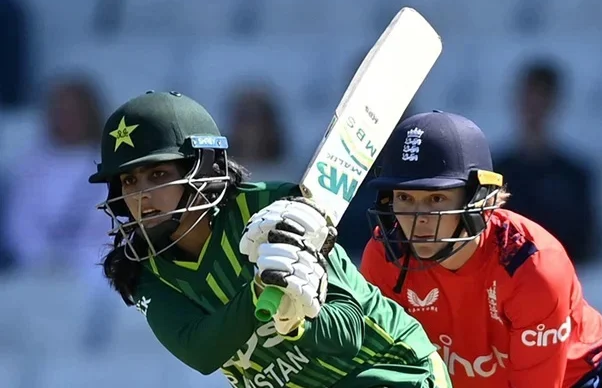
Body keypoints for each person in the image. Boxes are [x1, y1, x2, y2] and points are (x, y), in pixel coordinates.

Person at [88, 90, 451, 388]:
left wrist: (299, 322)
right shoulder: (143, 270)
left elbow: (346, 335)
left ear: (204, 170)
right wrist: (260, 292)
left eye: (158, 174)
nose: (141, 195)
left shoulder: (273, 208)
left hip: (392, 372)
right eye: (129, 181)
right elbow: (200, 351)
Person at [357, 110, 602, 388]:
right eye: (405, 197)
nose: (417, 218)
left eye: (436, 199)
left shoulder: (532, 267)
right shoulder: (385, 256)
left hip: (583, 380)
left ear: (479, 200)